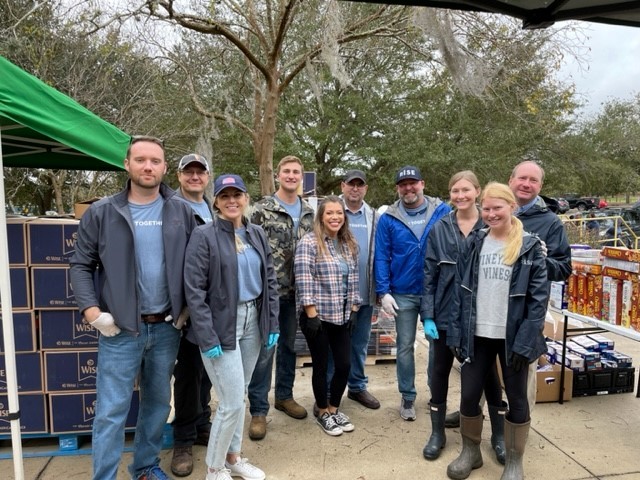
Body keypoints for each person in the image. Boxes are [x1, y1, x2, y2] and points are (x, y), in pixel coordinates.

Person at [69, 135, 198, 480]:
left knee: (157, 406)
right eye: (140, 160)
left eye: (155, 161)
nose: (148, 166)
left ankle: (144, 467)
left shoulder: (181, 211)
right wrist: (92, 313)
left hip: (167, 327)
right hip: (120, 330)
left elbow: (195, 265)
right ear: (126, 165)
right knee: (111, 411)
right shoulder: (103, 212)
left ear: (164, 167)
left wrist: (185, 308)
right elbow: (81, 265)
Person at [445, 160, 572, 428]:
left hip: (520, 318)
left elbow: (563, 268)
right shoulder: (487, 221)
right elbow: (465, 283)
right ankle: (476, 419)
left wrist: (537, 260)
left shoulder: (549, 223)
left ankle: (516, 433)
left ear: (540, 186)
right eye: (522, 178)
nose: (526, 184)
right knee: (476, 384)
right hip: (484, 321)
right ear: (510, 180)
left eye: (533, 180)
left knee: (519, 391)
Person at [446, 182, 548, 480]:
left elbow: (538, 300)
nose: (490, 214)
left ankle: (515, 461)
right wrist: (455, 333)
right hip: (477, 335)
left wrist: (527, 342)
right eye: (486, 209)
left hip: (513, 338)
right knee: (468, 396)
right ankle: (471, 451)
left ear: (511, 207)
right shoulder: (475, 242)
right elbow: (460, 291)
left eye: (497, 208)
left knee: (516, 399)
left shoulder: (529, 246)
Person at [184, 174, 279, 480]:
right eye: (225, 196)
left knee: (239, 398)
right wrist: (205, 334)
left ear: (246, 198)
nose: (232, 201)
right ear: (216, 202)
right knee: (230, 399)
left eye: (237, 194)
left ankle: (234, 457)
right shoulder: (204, 235)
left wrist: (272, 320)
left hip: (254, 318)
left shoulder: (257, 234)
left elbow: (270, 280)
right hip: (220, 323)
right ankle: (214, 468)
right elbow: (194, 290)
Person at [420, 171, 505, 463]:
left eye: (466, 190)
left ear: (477, 192)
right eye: (455, 191)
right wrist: (427, 315)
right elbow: (429, 275)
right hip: (444, 315)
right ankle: (437, 433)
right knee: (438, 374)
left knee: (488, 378)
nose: (460, 196)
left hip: (478, 317)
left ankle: (499, 435)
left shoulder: (491, 224)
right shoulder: (439, 228)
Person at [374, 165, 451, 421]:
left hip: (436, 291)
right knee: (405, 347)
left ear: (422, 184)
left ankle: (436, 395)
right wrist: (383, 291)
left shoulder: (442, 211)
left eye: (413, 183)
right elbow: (382, 256)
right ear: (398, 188)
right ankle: (407, 395)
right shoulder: (389, 218)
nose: (408, 188)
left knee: (436, 348)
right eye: (403, 184)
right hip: (403, 293)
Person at [247, 155, 315, 440]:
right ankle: (259, 411)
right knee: (264, 352)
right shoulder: (262, 208)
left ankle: (284, 396)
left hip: (297, 293)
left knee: (288, 347)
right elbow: (248, 247)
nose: (291, 176)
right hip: (268, 293)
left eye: (296, 172)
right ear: (278, 175)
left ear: (302, 177)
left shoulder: (310, 212)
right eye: (286, 171)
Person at [294, 196, 361, 436]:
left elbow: (353, 279)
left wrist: (354, 309)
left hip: (341, 316)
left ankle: (334, 408)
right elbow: (304, 279)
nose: (335, 217)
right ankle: (322, 410)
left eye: (339, 213)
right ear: (321, 216)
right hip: (318, 318)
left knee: (344, 364)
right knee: (321, 366)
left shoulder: (348, 244)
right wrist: (311, 313)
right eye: (330, 213)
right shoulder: (310, 243)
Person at [171, 153, 214, 477]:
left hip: (211, 304)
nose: (195, 177)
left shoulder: (213, 207)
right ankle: (183, 440)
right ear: (179, 175)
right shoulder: (170, 208)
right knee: (186, 376)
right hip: (182, 307)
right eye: (189, 172)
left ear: (208, 176)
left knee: (206, 370)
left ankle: (202, 426)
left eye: (200, 172)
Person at [329, 169, 380, 409]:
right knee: (333, 347)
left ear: (365, 189)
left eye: (360, 185)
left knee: (360, 344)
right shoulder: (332, 212)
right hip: (336, 297)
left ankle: (357, 387)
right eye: (351, 184)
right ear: (343, 186)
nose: (355, 189)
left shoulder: (374, 216)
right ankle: (328, 390)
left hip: (365, 293)